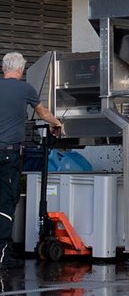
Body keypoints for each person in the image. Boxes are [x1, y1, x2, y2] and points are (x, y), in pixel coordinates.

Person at [0, 52, 62, 269]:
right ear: (21, 70)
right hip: (9, 155)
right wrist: (57, 122)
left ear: (3, 68)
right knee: (6, 202)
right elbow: (42, 112)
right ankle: (3, 254)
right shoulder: (25, 89)